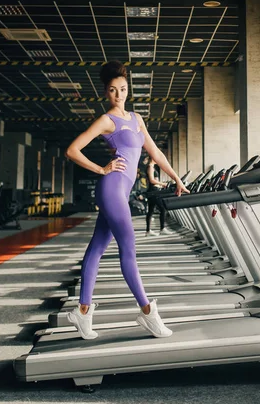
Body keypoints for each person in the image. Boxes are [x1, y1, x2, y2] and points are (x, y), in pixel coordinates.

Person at [65, 60, 189, 340]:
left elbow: (155, 153)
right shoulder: (106, 120)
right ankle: (147, 313)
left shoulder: (136, 119)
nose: (119, 94)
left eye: (122, 89)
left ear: (127, 89)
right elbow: (72, 150)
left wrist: (176, 178)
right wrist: (101, 169)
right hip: (111, 188)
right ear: (106, 93)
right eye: (112, 90)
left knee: (96, 248)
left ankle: (82, 313)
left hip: (122, 190)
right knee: (128, 249)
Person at [144, 157, 172, 237]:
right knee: (163, 208)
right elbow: (152, 180)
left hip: (153, 190)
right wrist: (163, 184)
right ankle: (162, 229)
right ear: (153, 158)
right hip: (153, 191)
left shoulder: (151, 167)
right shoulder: (150, 167)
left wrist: (161, 184)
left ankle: (148, 231)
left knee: (151, 210)